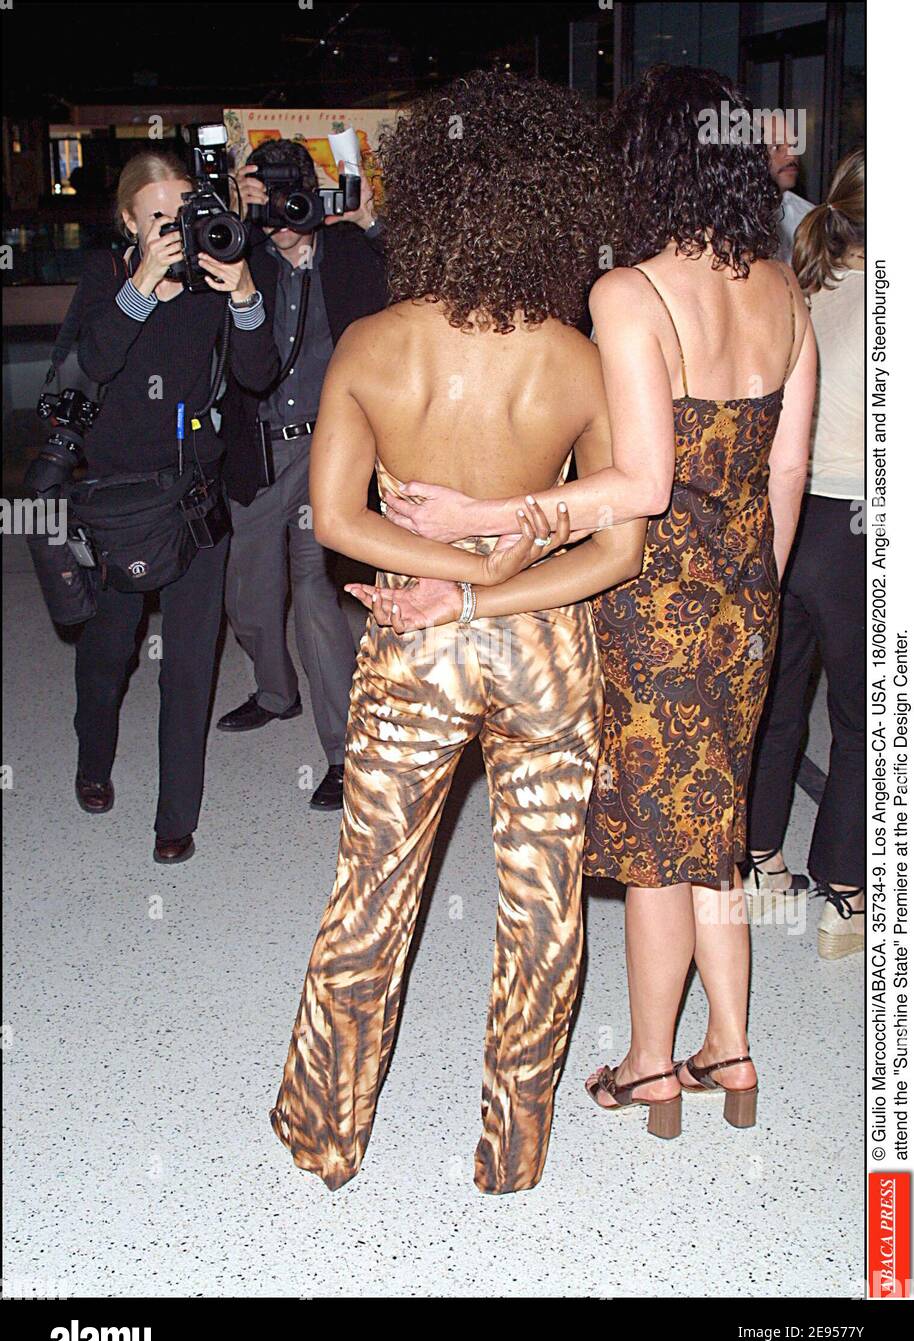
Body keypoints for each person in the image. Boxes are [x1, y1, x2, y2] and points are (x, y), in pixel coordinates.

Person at [382, 64, 817, 1136]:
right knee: (709, 833)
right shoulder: (782, 289)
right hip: (742, 602)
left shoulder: (631, 292)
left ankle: (649, 1065)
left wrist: (493, 514)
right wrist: (747, 593)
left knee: (655, 854)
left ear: (647, 164)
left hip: (647, 602)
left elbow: (642, 484)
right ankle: (732, 1048)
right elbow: (785, 475)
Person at [269, 69, 647, 1194]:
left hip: (413, 652)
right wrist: (490, 573)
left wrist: (441, 583)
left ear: (426, 196)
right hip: (542, 647)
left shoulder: (374, 344)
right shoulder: (576, 359)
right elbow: (615, 546)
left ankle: (326, 1137)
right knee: (543, 902)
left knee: (371, 889)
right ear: (556, 205)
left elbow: (336, 521)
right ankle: (511, 1152)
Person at [73, 150, 279, 863]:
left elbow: (258, 374)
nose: (174, 229)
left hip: (195, 503)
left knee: (189, 666)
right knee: (108, 653)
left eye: (184, 212)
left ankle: (174, 820)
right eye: (157, 216)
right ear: (129, 220)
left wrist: (246, 293)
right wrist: (141, 287)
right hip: (120, 504)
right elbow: (92, 364)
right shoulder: (105, 281)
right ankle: (93, 761)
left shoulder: (214, 279)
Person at [216, 139, 387, 811]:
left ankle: (344, 754)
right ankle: (274, 693)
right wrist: (237, 218)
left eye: (295, 195)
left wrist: (368, 221)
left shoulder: (346, 250)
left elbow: (418, 273)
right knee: (250, 599)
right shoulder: (241, 253)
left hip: (332, 450)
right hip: (261, 452)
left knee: (316, 594)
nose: (284, 213)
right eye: (270, 196)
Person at [746, 148, 865, 959]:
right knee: (868, 719)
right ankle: (845, 899)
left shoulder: (797, 283)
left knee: (777, 702)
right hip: (862, 525)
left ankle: (761, 868)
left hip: (785, 514)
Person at [768, 113, 815, 264]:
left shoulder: (809, 218)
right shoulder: (731, 218)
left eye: (794, 146)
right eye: (777, 147)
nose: (792, 155)